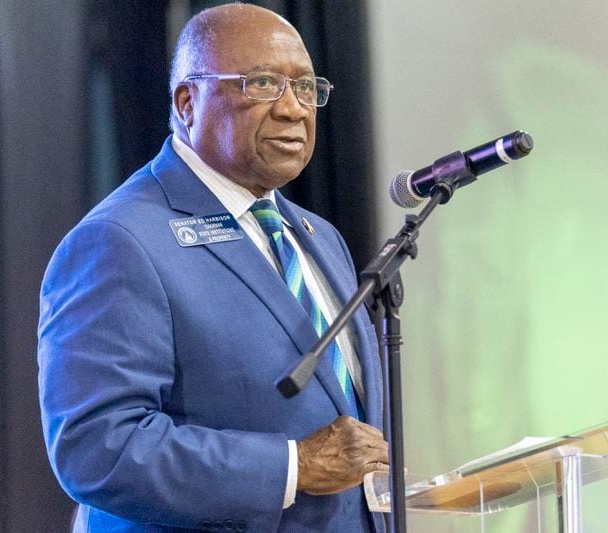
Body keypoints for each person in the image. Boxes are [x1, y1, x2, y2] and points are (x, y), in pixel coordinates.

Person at [38, 4, 388, 532]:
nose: (294, 109)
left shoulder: (317, 236)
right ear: (187, 102)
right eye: (264, 83)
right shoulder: (118, 241)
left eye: (306, 87)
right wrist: (293, 465)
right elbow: (97, 448)